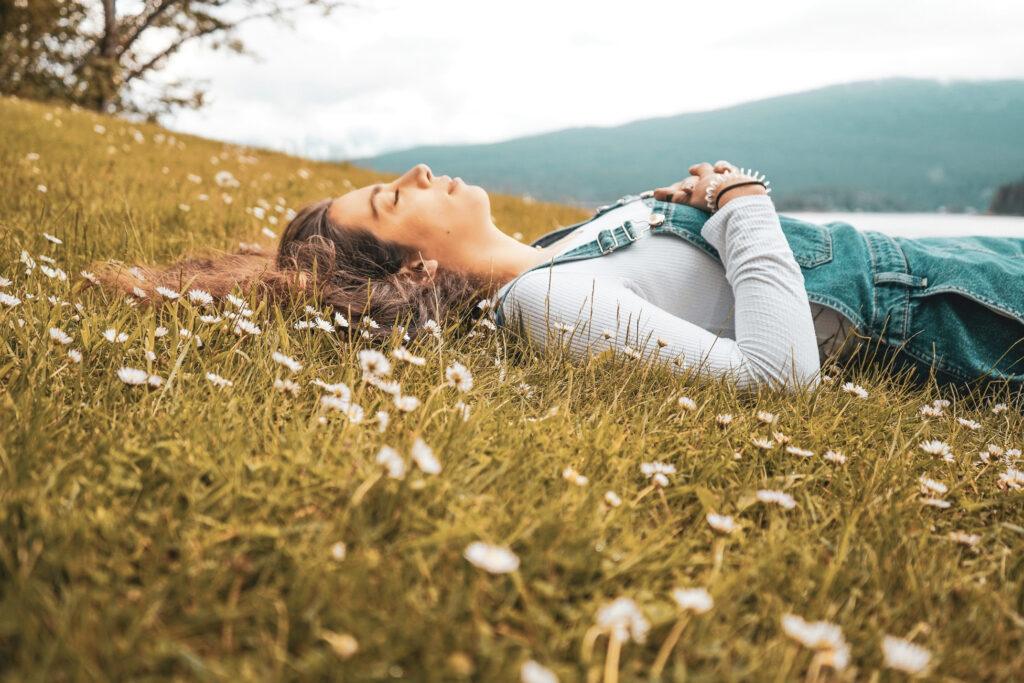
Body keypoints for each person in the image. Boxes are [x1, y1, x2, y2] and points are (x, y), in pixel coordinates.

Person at [98, 162, 1024, 393]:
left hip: (931, 267)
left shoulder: (551, 252)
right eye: (392, 197)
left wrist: (685, 204)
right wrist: (743, 204)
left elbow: (682, 277)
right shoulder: (542, 302)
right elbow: (777, 377)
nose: (419, 173)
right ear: (418, 263)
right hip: (946, 308)